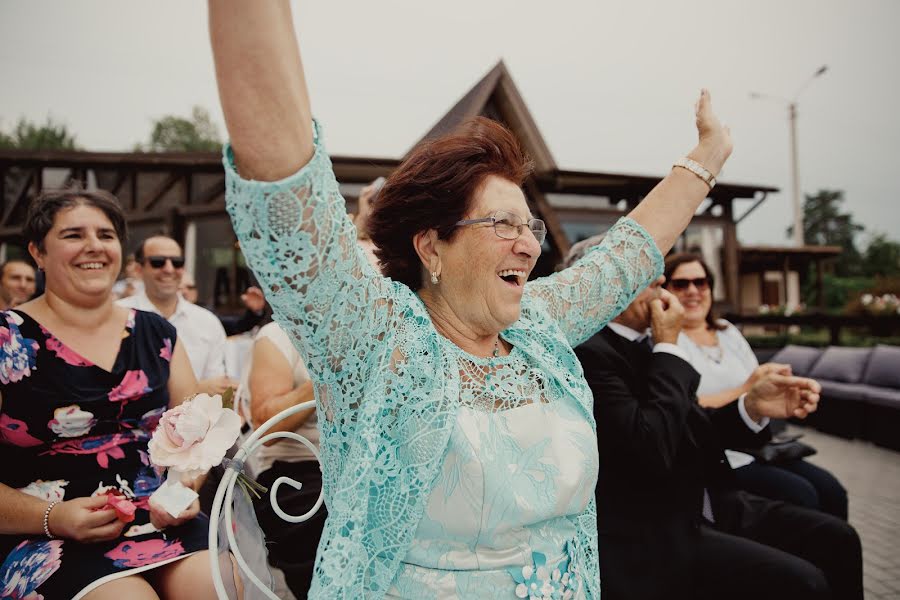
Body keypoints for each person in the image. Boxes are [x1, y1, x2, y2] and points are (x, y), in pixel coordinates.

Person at [209, 2, 732, 596]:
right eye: (503, 225)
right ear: (432, 246)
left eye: (530, 227)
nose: (528, 246)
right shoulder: (374, 339)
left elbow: (626, 255)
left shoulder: (537, 327)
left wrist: (708, 156)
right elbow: (285, 187)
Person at [574, 272, 863, 600]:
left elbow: (694, 427)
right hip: (657, 528)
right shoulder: (591, 353)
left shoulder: (647, 344)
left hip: (710, 501)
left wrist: (751, 407)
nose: (662, 277)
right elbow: (650, 445)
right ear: (609, 283)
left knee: (838, 537)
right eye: (644, 269)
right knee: (804, 583)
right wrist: (669, 345)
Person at [0, 189, 218, 599]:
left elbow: (196, 437)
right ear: (37, 252)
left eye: (106, 234)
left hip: (157, 515)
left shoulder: (157, 333)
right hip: (43, 528)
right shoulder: (6, 338)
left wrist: (182, 489)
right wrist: (53, 517)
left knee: (215, 583)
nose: (93, 246)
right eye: (73, 235)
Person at [664, 252, 849, 518]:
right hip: (718, 454)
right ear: (667, 291)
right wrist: (747, 389)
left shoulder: (727, 331)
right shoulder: (668, 340)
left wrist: (781, 386)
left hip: (756, 445)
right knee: (801, 495)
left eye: (701, 282)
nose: (693, 291)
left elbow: (758, 382)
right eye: (681, 284)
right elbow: (685, 405)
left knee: (832, 490)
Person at [240, 322, 321, 599]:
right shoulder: (280, 334)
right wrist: (329, 374)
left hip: (370, 469)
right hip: (296, 469)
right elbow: (267, 428)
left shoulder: (387, 327)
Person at [117, 236, 236, 396]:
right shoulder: (118, 314)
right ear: (139, 269)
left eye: (177, 262)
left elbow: (216, 386)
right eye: (158, 262)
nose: (169, 269)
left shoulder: (207, 321)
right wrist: (197, 388)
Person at [180, 272, 269, 337]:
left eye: (190, 287)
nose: (185, 292)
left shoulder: (205, 314)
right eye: (180, 288)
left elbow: (237, 325)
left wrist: (255, 311)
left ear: (196, 292)